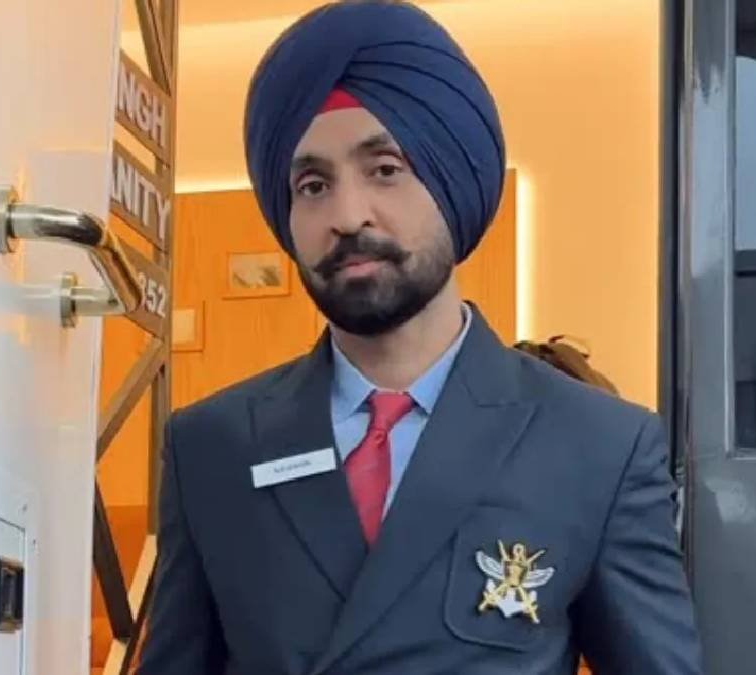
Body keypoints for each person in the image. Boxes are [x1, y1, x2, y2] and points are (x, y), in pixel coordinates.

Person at [136, 2, 701, 673]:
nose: (348, 215)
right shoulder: (212, 448)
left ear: (451, 177)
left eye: (385, 169)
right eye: (313, 185)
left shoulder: (599, 448)